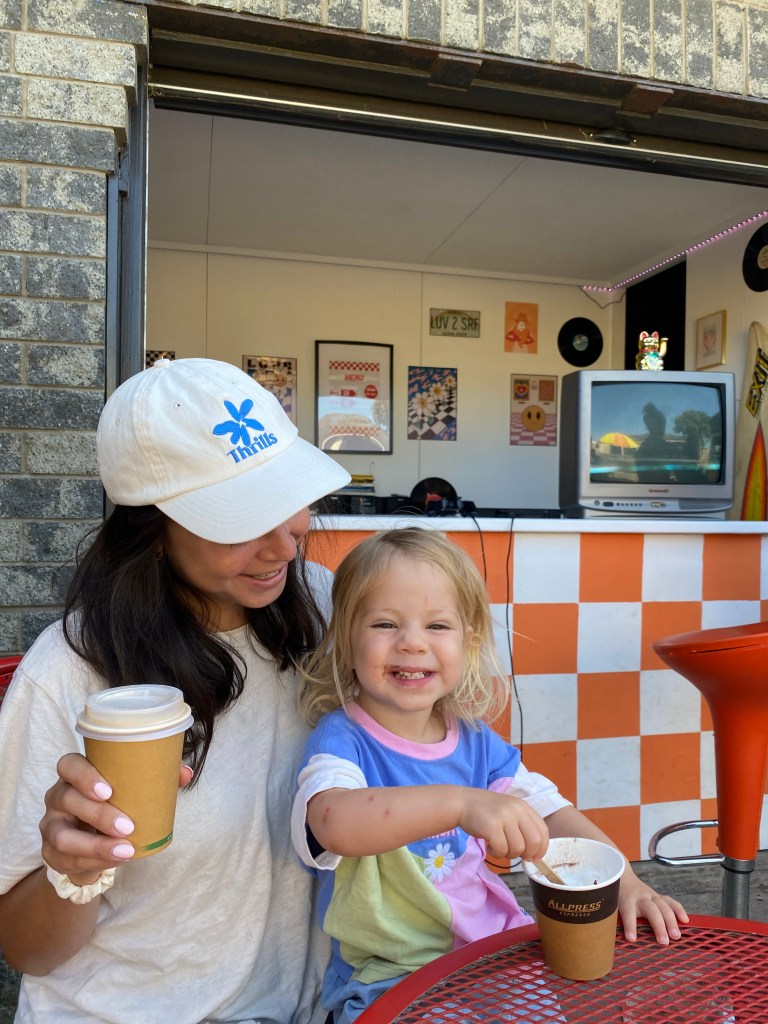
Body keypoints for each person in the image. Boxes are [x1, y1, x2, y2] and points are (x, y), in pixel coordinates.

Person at [0, 357, 351, 1023]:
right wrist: (72, 871)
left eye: (288, 497)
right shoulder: (69, 673)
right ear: (152, 534)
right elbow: (25, 949)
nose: (288, 538)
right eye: (244, 518)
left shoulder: (323, 614)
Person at [291, 528, 689, 1024]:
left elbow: (551, 810)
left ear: (469, 640)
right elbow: (333, 823)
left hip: (492, 954)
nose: (412, 643)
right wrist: (462, 804)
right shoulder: (342, 739)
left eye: (437, 626)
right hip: (390, 977)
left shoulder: (477, 742)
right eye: (386, 624)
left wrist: (625, 881)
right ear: (347, 638)